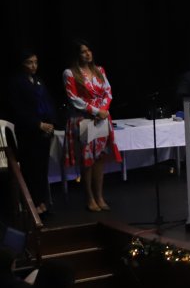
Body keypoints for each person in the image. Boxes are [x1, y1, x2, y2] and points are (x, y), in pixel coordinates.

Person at [63, 40, 120, 213]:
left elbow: (108, 91)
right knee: (87, 160)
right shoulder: (70, 73)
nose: (87, 54)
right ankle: (89, 198)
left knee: (100, 158)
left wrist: (103, 110)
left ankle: (100, 196)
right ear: (76, 55)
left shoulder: (99, 70)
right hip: (84, 119)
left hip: (101, 118)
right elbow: (73, 98)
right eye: (83, 51)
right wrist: (95, 111)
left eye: (89, 50)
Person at [6, 50, 57, 215]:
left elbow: (48, 103)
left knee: (42, 169)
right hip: (28, 132)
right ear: (23, 64)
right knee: (31, 168)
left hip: (43, 132)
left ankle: (42, 201)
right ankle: (33, 203)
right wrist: (38, 124)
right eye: (30, 62)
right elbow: (17, 110)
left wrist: (50, 123)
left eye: (35, 62)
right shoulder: (16, 83)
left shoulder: (38, 81)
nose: (33, 66)